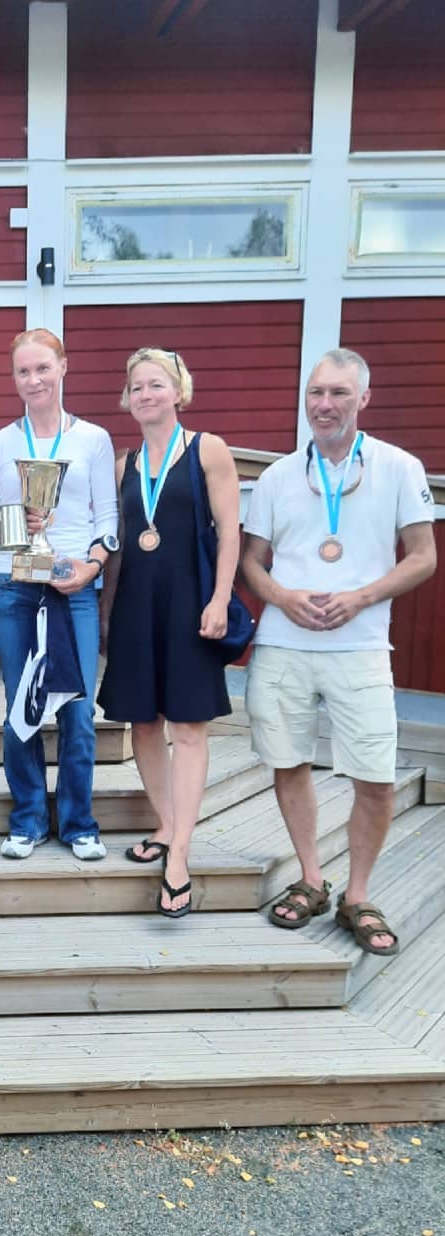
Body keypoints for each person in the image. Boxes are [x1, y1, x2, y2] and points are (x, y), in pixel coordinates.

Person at [242, 349, 436, 954]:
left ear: (363, 399)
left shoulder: (399, 467)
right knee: (289, 762)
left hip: (361, 645)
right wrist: (283, 597)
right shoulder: (278, 477)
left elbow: (424, 556)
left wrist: (362, 597)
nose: (324, 405)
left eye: (339, 394)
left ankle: (358, 895)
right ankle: (311, 879)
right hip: (284, 643)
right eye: (316, 393)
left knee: (375, 777)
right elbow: (252, 562)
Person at [98, 348, 241, 917]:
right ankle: (164, 822)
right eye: (136, 387)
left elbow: (230, 531)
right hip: (136, 605)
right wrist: (106, 611)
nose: (145, 394)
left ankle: (179, 852)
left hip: (190, 603)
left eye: (155, 384)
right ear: (127, 399)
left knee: (187, 725)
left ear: (178, 391)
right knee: (142, 722)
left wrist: (221, 598)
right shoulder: (124, 464)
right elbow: (116, 548)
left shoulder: (208, 449)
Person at [0, 328, 118, 860]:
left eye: (42, 368)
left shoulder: (93, 439)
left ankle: (79, 823)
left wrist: (91, 566)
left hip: (73, 587)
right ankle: (28, 818)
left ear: (63, 367)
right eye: (23, 371)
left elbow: (107, 519)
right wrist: (16, 525)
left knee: (78, 709)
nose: (33, 380)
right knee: (22, 706)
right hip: (14, 587)